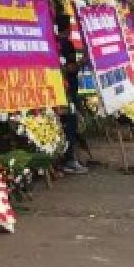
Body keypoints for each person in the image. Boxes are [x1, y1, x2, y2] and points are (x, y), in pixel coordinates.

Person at [55, 12, 88, 175]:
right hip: (67, 91)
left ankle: (65, 158)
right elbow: (69, 68)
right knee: (70, 124)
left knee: (65, 124)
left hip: (60, 91)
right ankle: (68, 160)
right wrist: (83, 61)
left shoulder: (53, 43)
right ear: (67, 28)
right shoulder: (65, 44)